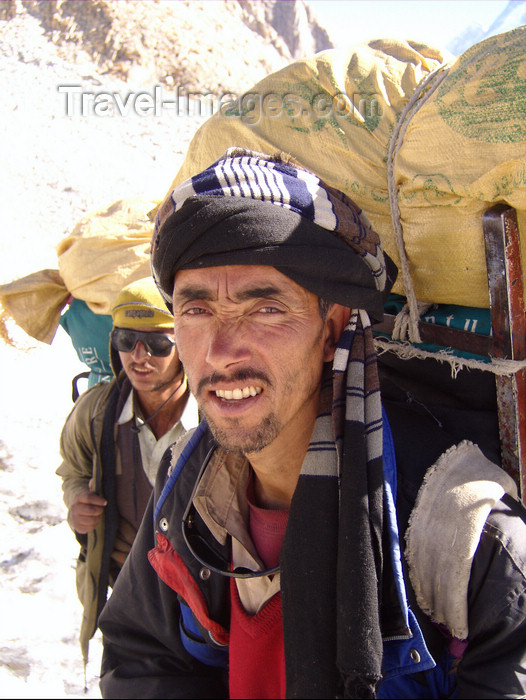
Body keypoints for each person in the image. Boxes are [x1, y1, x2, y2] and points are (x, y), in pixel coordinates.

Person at [97, 149, 526, 698]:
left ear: (332, 329)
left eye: (265, 309)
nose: (221, 353)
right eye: (196, 310)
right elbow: (142, 656)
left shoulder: (463, 538)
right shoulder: (187, 491)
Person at [56, 276, 199, 664]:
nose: (138, 356)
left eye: (156, 343)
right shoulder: (96, 412)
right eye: (125, 341)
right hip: (124, 588)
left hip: (201, 598)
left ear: (184, 343)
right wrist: (76, 500)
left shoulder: (214, 415)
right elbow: (72, 467)